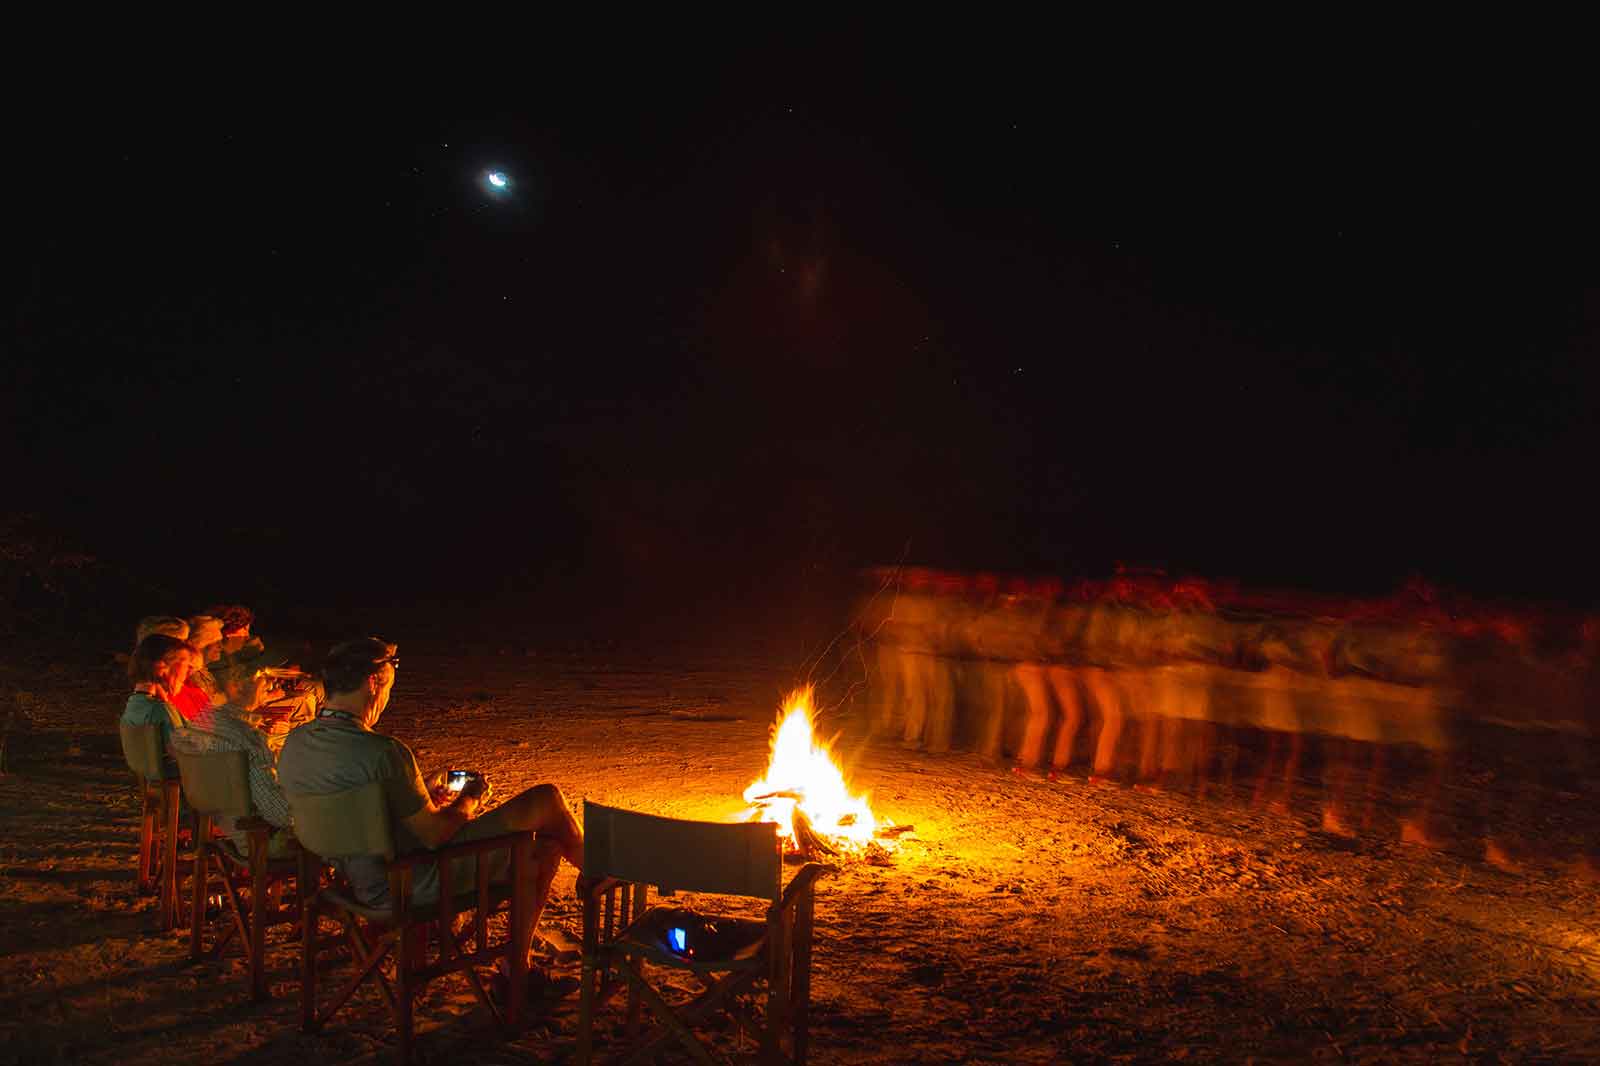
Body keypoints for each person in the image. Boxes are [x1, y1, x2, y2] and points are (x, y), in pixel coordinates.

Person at [277, 638, 583, 991]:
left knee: (543, 847)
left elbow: (355, 810)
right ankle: (594, 874)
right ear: (373, 683)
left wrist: (420, 793)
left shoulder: (295, 744)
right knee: (546, 801)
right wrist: (469, 800)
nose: (386, 698)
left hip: (349, 878)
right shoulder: (384, 752)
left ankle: (520, 966)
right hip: (408, 885)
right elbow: (434, 835)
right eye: (388, 688)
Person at [169, 658, 295, 857]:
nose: (272, 684)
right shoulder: (244, 740)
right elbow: (282, 814)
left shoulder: (203, 722)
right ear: (237, 686)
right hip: (261, 841)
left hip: (229, 823)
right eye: (264, 677)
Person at [121, 633, 196, 776]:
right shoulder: (160, 710)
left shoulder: (135, 704)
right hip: (190, 782)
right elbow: (186, 755)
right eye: (185, 663)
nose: (190, 670)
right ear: (161, 667)